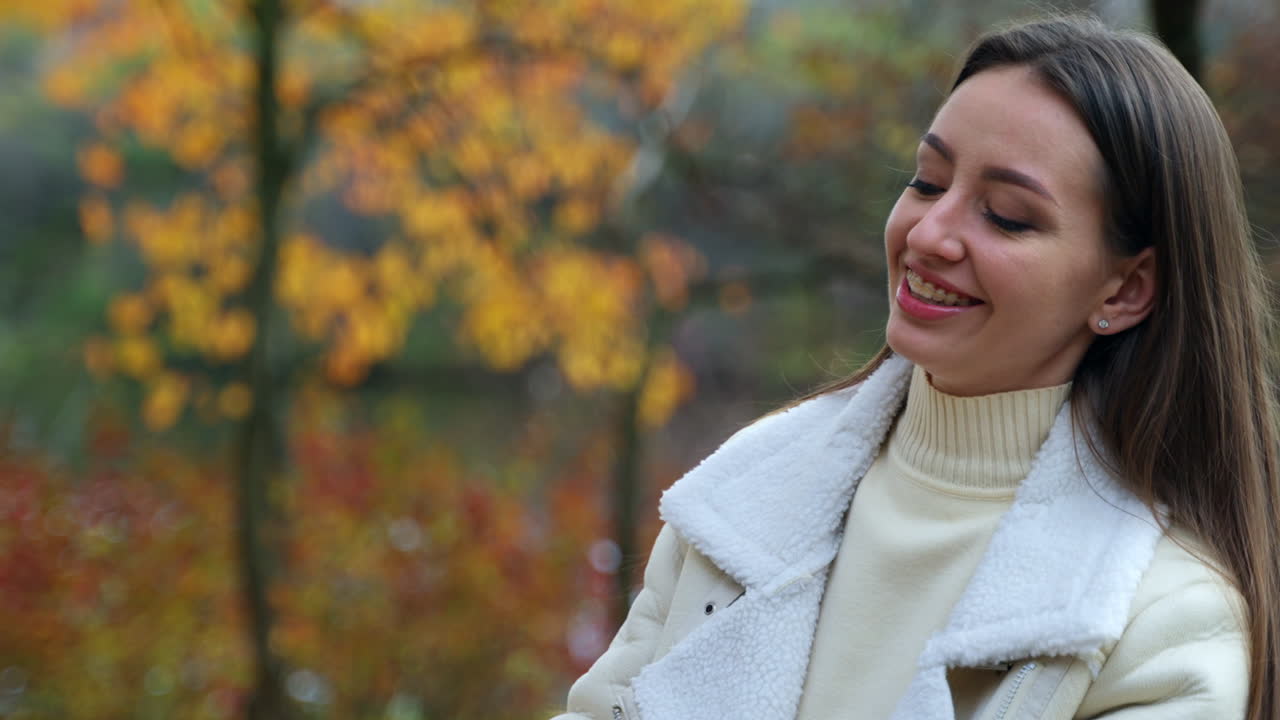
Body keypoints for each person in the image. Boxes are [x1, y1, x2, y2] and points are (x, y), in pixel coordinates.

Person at [555, 15, 1280, 720]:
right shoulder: (741, 495)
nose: (929, 234)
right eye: (928, 182)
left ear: (1124, 290)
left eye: (1006, 215)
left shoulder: (1163, 622)